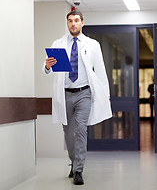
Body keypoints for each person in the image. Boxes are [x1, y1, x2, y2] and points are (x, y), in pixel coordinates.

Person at [44, 10, 112, 185]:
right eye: (70, 21)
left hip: (84, 93)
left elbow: (101, 72)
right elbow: (48, 69)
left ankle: (79, 170)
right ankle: (74, 162)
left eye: (76, 20)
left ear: (82, 22)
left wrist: (106, 96)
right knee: (68, 133)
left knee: (81, 130)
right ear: (67, 23)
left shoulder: (92, 44)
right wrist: (46, 66)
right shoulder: (58, 44)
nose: (73, 24)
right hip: (65, 93)